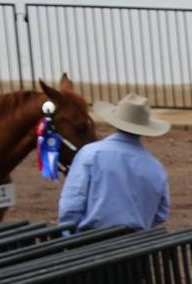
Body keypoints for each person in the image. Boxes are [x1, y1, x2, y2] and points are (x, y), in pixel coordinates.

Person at [57, 95, 171, 232]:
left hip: (91, 240)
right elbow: (160, 213)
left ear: (115, 122)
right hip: (136, 244)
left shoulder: (90, 154)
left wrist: (67, 235)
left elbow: (71, 204)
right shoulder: (156, 167)